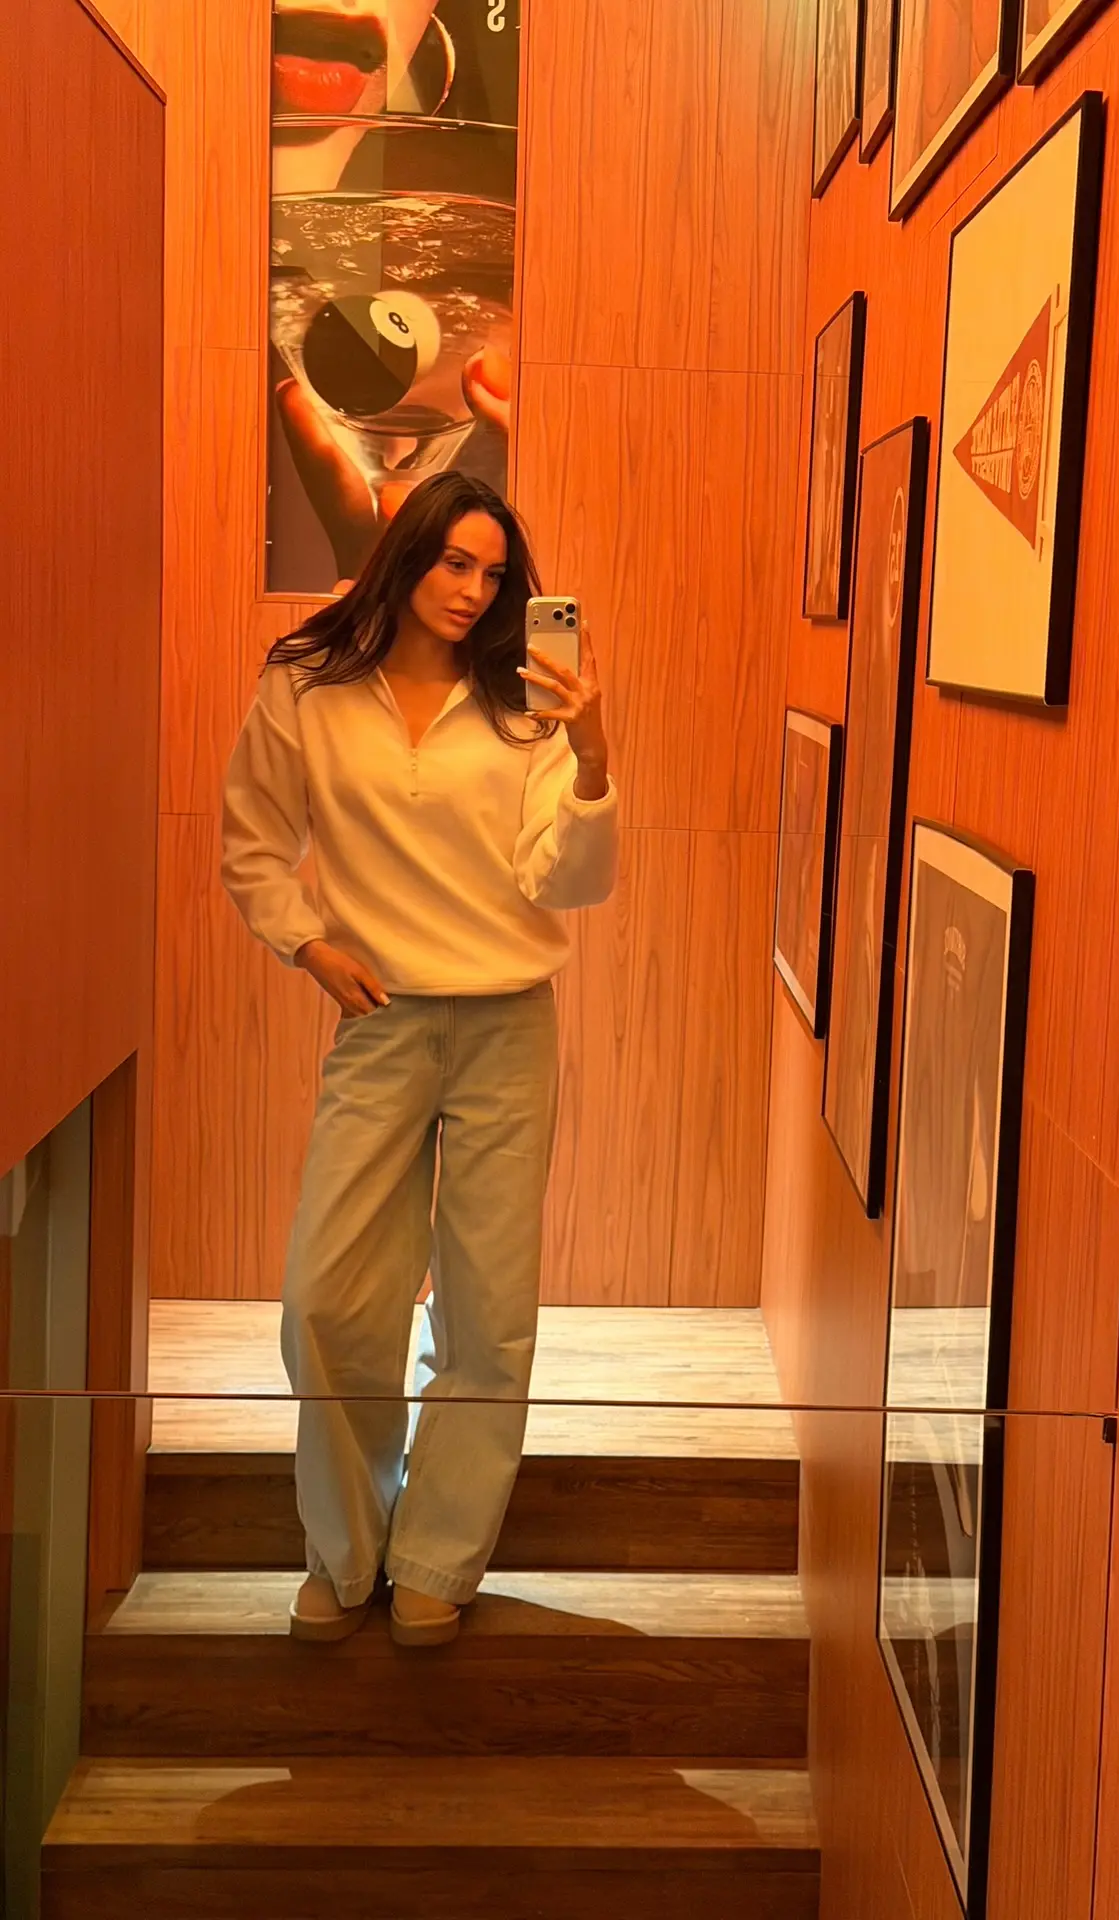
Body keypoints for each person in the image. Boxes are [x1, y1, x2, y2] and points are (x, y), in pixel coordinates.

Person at [220, 470, 617, 1647]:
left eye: (494, 573)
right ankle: (346, 1549)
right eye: (455, 562)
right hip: (382, 1018)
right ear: (406, 555)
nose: (475, 591)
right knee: (327, 1299)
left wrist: (593, 758)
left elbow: (565, 881)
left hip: (507, 1022)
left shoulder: (522, 699)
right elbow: (252, 840)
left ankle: (440, 1552)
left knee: (490, 1312)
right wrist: (306, 943)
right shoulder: (306, 681)